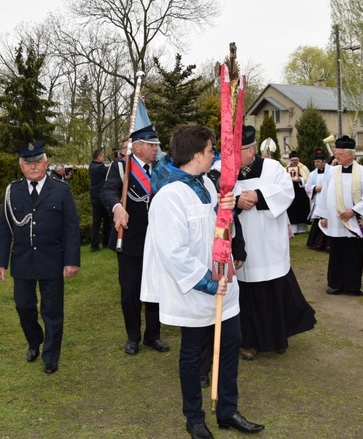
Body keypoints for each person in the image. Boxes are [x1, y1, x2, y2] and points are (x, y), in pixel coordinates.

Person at [141, 125, 264, 438]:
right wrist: (209, 283)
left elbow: (219, 229)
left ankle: (227, 410)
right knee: (194, 355)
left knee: (229, 345)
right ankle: (194, 418)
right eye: (211, 150)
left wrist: (226, 215)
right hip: (197, 291)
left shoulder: (207, 186)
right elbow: (174, 253)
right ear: (197, 154)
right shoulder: (169, 196)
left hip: (225, 287)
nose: (215, 155)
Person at [0, 141, 81, 375]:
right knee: (23, 306)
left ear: (46, 162)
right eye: (28, 163)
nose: (33, 167)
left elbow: (71, 227)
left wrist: (71, 261)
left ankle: (50, 355)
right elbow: (4, 227)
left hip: (52, 259)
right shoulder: (13, 191)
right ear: (21, 166)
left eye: (37, 162)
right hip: (22, 260)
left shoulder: (61, 189)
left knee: (52, 310)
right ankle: (34, 341)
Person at [233, 125, 317, 361]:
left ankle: (278, 338)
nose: (232, 157)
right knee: (247, 296)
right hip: (243, 243)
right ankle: (250, 342)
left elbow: (286, 193)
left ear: (250, 150)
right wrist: (238, 201)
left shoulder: (272, 168)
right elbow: (220, 195)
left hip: (269, 241)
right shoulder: (227, 170)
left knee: (273, 291)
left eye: (237, 151)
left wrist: (259, 196)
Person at [100, 124, 169, 355]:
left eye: (156, 145)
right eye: (151, 145)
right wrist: (117, 207)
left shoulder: (161, 169)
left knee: (155, 290)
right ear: (136, 146)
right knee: (130, 291)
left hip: (157, 241)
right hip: (130, 240)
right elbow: (107, 191)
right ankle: (133, 336)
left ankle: (153, 335)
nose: (155, 150)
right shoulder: (121, 167)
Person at [318, 136, 363, 295]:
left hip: (355, 221)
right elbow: (325, 194)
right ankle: (335, 284)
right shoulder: (332, 172)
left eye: (339, 154)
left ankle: (353, 286)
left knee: (354, 254)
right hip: (336, 222)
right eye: (336, 153)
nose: (336, 157)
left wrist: (353, 211)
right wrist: (324, 216)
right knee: (336, 254)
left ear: (350, 155)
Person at [305, 149, 328, 250]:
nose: (316, 164)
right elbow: (307, 186)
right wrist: (315, 188)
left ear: (324, 162)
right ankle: (315, 243)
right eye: (315, 162)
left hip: (328, 200)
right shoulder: (312, 174)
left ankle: (328, 244)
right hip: (318, 199)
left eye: (318, 162)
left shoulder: (332, 171)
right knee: (318, 220)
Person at [88, 150, 111, 252]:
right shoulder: (100, 168)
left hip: (94, 197)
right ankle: (106, 242)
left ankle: (94, 245)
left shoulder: (91, 166)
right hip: (101, 197)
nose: (103, 159)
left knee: (96, 222)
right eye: (102, 157)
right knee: (107, 220)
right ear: (98, 157)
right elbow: (110, 171)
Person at [285, 151, 310, 234]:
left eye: (296, 160)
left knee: (302, 209)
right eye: (293, 160)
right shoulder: (286, 168)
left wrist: (301, 179)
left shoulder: (303, 168)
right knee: (292, 210)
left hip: (301, 192)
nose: (294, 161)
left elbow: (308, 179)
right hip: (291, 192)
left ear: (298, 159)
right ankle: (293, 229)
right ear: (290, 160)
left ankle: (302, 229)